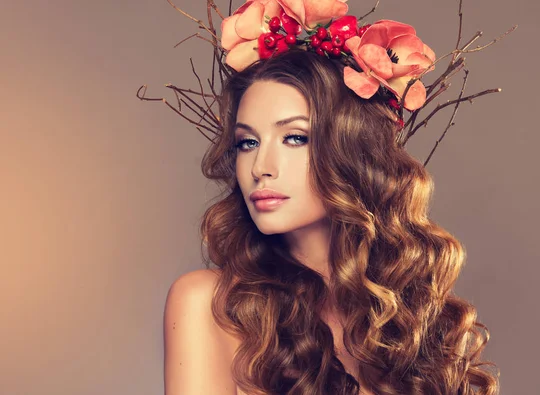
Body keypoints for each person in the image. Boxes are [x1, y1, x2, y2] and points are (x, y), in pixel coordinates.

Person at [162, 49, 497, 394]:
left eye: (295, 138)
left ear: (352, 150)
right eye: (247, 142)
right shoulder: (211, 304)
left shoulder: (409, 316)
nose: (261, 166)